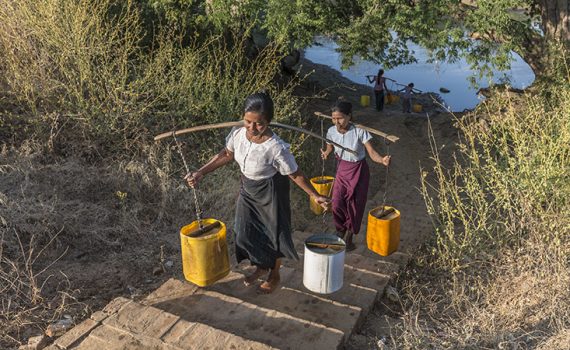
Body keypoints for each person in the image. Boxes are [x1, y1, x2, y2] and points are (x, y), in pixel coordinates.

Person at [186, 92, 330, 294]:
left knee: (274, 233)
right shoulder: (237, 133)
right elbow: (227, 154)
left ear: (269, 121)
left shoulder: (276, 147)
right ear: (243, 117)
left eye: (259, 124)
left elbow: (295, 174)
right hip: (248, 188)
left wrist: (314, 194)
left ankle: (275, 273)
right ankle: (261, 266)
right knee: (244, 231)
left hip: (271, 190)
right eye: (248, 122)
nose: (252, 129)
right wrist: (201, 172)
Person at [321, 100, 391, 251]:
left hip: (358, 171)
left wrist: (382, 160)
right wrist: (326, 153)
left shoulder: (360, 131)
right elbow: (330, 145)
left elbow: (371, 153)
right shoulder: (331, 131)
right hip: (341, 170)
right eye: (333, 118)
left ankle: (349, 237)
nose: (336, 122)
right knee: (338, 202)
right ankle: (340, 229)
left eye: (340, 118)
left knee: (355, 205)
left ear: (349, 116)